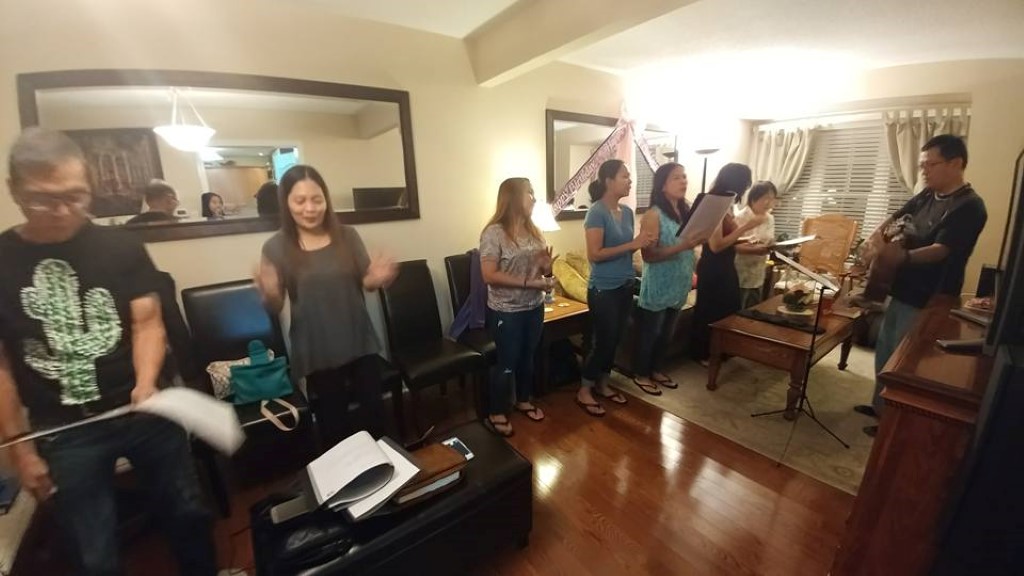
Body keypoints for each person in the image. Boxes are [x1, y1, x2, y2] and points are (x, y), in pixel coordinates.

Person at [0, 128, 216, 575]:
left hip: (145, 410)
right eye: (44, 199)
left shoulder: (120, 245)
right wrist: (18, 449)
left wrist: (146, 382)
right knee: (92, 550)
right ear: (15, 190)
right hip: (63, 429)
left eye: (75, 196)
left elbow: (147, 322)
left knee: (189, 514)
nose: (63, 211)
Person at [255, 164, 398, 446]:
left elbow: (366, 282)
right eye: (300, 200)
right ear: (286, 203)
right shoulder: (275, 247)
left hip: (359, 341)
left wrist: (377, 278)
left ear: (326, 200)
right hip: (317, 350)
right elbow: (275, 305)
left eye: (316, 199)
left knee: (375, 420)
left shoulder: (348, 235)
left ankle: (384, 469)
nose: (310, 208)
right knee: (335, 428)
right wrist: (268, 293)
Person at [855, 135, 987, 437]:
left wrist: (901, 257)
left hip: (928, 296)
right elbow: (894, 218)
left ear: (956, 163)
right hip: (900, 288)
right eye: (922, 165)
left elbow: (941, 250)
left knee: (906, 362)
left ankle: (891, 423)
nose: (924, 171)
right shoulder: (926, 195)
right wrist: (874, 241)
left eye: (930, 164)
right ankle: (879, 407)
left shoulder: (970, 206)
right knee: (885, 351)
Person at [576, 159, 656, 416]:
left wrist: (644, 243)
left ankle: (603, 383)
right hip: (603, 288)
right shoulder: (596, 212)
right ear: (608, 181)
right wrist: (633, 244)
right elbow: (595, 254)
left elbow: (627, 249)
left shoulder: (628, 212)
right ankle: (585, 389)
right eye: (625, 176)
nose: (630, 181)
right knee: (604, 341)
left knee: (617, 339)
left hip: (625, 284)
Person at [478, 177, 554, 437]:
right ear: (512, 197)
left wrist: (546, 270)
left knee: (527, 356)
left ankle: (523, 400)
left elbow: (541, 272)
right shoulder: (493, 233)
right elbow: (488, 275)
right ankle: (496, 411)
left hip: (534, 305)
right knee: (507, 361)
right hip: (506, 310)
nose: (534, 198)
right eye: (529, 192)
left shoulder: (535, 232)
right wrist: (528, 283)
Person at [632, 163, 706, 395]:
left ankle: (656, 369)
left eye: (684, 176)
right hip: (659, 283)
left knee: (667, 334)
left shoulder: (686, 212)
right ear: (663, 185)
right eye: (676, 178)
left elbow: (690, 244)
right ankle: (641, 374)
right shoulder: (653, 215)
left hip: (679, 281)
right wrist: (682, 246)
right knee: (651, 333)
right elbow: (649, 255)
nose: (683, 181)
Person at [690, 163, 767, 365]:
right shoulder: (714, 203)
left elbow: (727, 239)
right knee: (711, 311)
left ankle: (721, 350)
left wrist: (746, 239)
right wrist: (746, 227)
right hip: (713, 266)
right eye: (745, 183)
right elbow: (716, 245)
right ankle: (702, 353)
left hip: (725, 264)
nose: (746, 188)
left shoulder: (728, 204)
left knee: (728, 308)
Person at [734, 181, 778, 309]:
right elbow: (733, 245)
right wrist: (756, 250)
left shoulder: (769, 218)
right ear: (753, 198)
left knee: (754, 309)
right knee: (738, 309)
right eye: (766, 198)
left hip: (758, 271)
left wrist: (773, 246)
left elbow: (769, 240)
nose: (769, 202)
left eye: (772, 198)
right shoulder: (740, 217)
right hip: (740, 271)